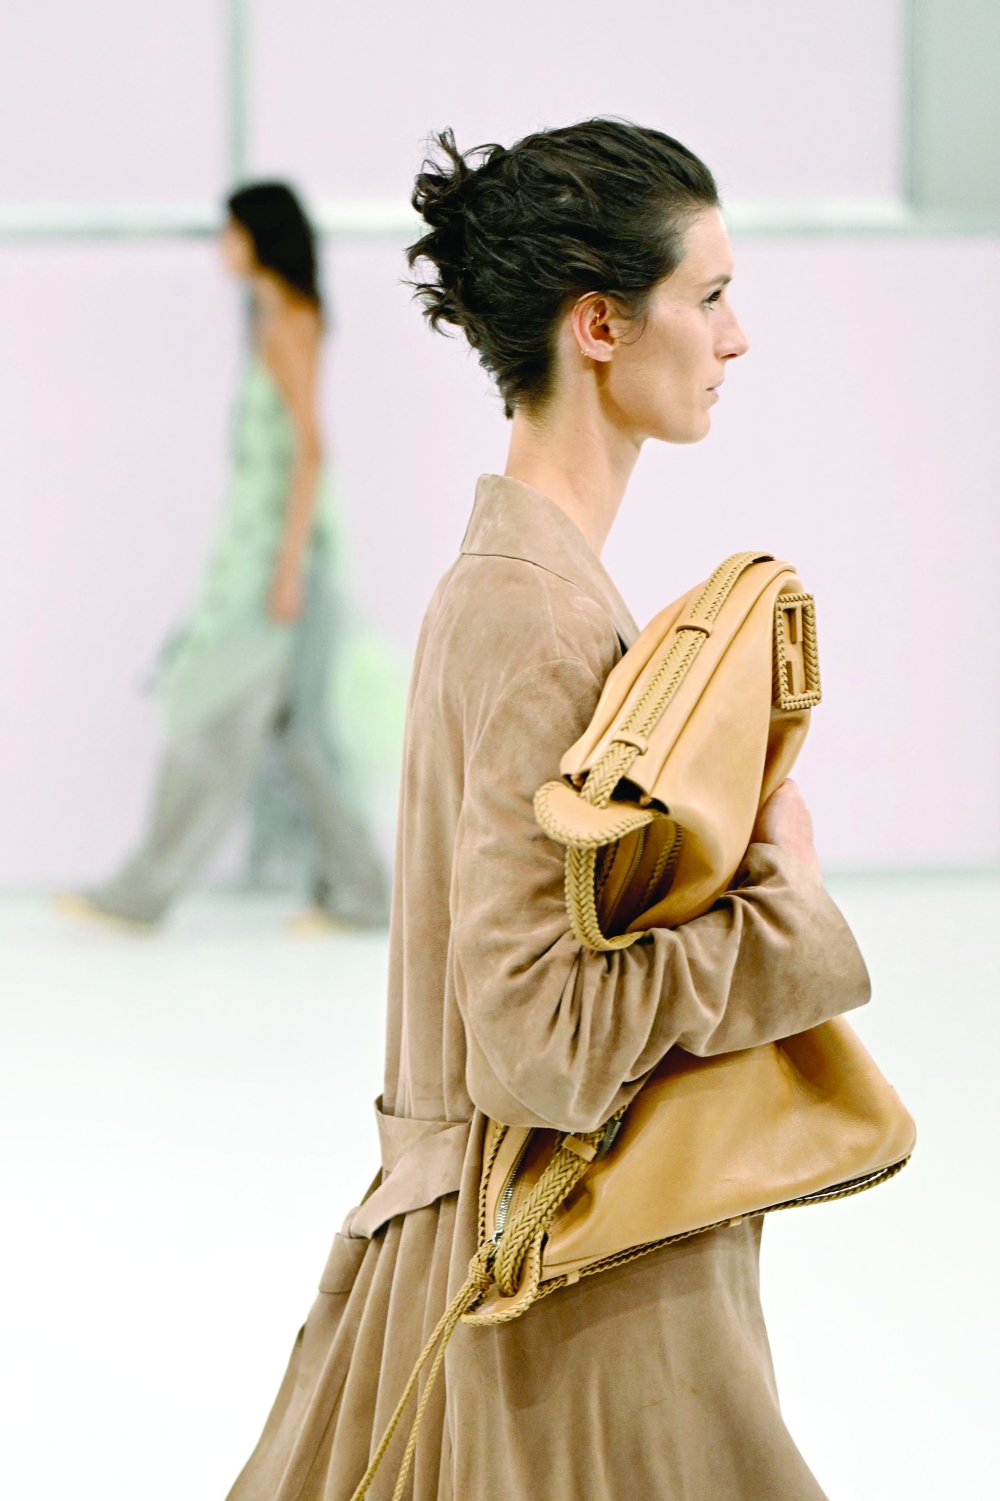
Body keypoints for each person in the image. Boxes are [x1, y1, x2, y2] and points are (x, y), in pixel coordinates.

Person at [227, 123, 870, 1500]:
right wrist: (784, 909)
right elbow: (539, 1045)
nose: (735, 336)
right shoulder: (533, 614)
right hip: (556, 1306)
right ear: (599, 325)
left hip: (528, 1264)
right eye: (707, 296)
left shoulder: (524, 585)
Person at [57, 183, 388, 933]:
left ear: (259, 239)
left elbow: (309, 451)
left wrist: (287, 570)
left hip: (280, 571)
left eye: (231, 233)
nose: (221, 248)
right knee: (302, 737)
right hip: (271, 565)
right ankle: (360, 893)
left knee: (210, 721)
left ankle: (141, 895)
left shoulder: (288, 325)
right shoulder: (276, 319)